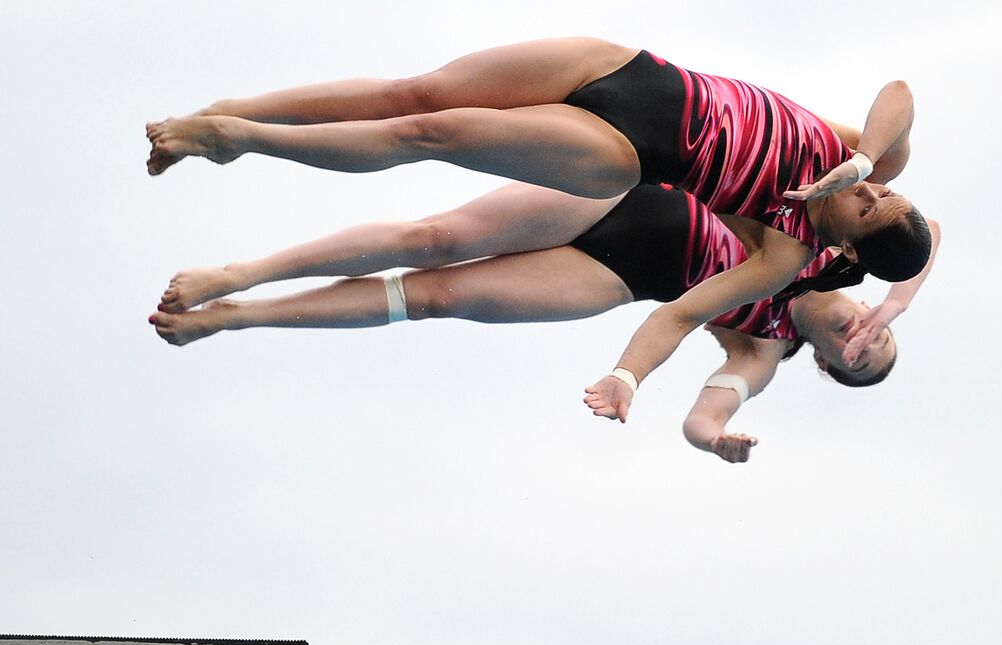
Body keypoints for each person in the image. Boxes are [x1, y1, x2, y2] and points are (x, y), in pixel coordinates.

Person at [144, 38, 932, 417]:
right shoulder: (857, 159)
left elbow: (679, 316)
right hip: (628, 72)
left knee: (436, 147)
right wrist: (864, 165)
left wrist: (628, 379)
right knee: (414, 94)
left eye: (861, 356)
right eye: (877, 197)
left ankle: (240, 163)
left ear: (850, 250)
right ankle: (224, 115)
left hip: (623, 162)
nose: (869, 197)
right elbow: (899, 92)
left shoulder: (781, 268)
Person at [149, 182, 940, 461]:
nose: (860, 342)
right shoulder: (849, 257)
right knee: (436, 238)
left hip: (615, 273)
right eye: (877, 337)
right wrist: (900, 301)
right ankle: (241, 272)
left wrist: (714, 442)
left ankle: (240, 316)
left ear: (830, 367)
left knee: (434, 296)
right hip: (625, 199)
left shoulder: (765, 345)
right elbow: (927, 236)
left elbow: (706, 412)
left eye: (857, 363)